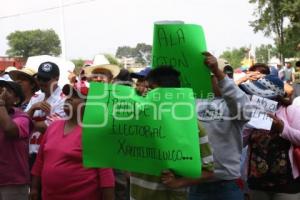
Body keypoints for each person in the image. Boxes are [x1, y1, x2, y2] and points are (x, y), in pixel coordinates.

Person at [130, 66, 214, 200]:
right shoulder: (135, 122)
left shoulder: (194, 127)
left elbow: (208, 171)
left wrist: (178, 182)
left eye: (150, 89)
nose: (145, 94)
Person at [30, 84, 115, 200]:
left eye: (75, 96)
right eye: (68, 95)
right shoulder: (53, 126)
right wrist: (34, 188)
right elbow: (40, 161)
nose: (68, 98)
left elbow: (106, 176)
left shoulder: (94, 133)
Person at [194, 52, 252, 200]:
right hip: (195, 183)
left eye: (227, 76)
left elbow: (245, 111)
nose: (226, 79)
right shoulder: (194, 102)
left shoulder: (236, 105)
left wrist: (218, 73)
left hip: (227, 185)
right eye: (217, 75)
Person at [240, 75, 300, 200]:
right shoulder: (250, 112)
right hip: (257, 182)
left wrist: (282, 128)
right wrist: (248, 124)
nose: (252, 97)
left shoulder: (291, 111)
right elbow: (240, 143)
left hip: (286, 183)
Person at [25, 62, 66, 168]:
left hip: (50, 155)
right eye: (40, 78)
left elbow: (49, 126)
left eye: (46, 79)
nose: (42, 82)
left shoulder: (64, 99)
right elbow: (21, 122)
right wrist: (33, 108)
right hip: (29, 154)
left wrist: (29, 123)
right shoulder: (35, 97)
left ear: (56, 78)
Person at [0, 80, 32, 200]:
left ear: (17, 100)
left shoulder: (22, 118)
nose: (2, 93)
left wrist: (1, 104)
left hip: (13, 183)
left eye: (7, 91)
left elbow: (9, 129)